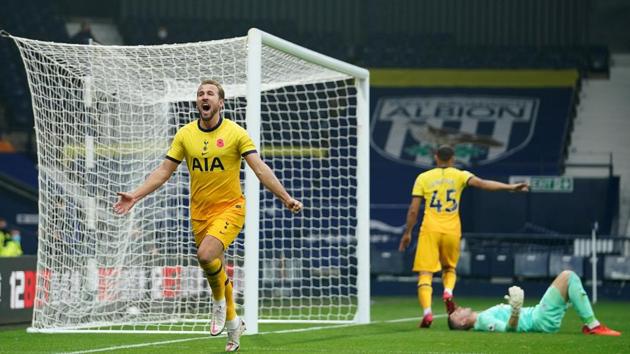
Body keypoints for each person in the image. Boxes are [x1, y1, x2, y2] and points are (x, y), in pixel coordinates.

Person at [113, 79, 303, 352]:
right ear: (197, 102)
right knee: (215, 267)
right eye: (200, 93)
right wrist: (136, 194)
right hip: (199, 212)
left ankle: (218, 305)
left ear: (220, 102)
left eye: (210, 93)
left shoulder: (236, 133)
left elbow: (260, 169)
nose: (205, 97)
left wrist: (285, 198)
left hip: (230, 208)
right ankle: (234, 325)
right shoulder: (185, 134)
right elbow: (164, 172)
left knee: (205, 256)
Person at [398, 145, 528, 328]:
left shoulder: (423, 178)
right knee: (449, 268)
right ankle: (448, 292)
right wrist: (510, 187)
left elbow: (413, 210)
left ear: (436, 157)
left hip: (430, 229)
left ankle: (427, 313)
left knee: (425, 273)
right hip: (452, 229)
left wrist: (408, 233)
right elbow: (483, 184)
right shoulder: (460, 175)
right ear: (453, 159)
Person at [448, 270, 621, 336]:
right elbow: (508, 331)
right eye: (457, 313)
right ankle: (593, 325)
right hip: (540, 319)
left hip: (538, 315)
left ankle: (589, 325)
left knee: (568, 285)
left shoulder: (481, 319)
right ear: (462, 322)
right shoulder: (484, 321)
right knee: (568, 277)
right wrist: (515, 310)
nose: (460, 308)